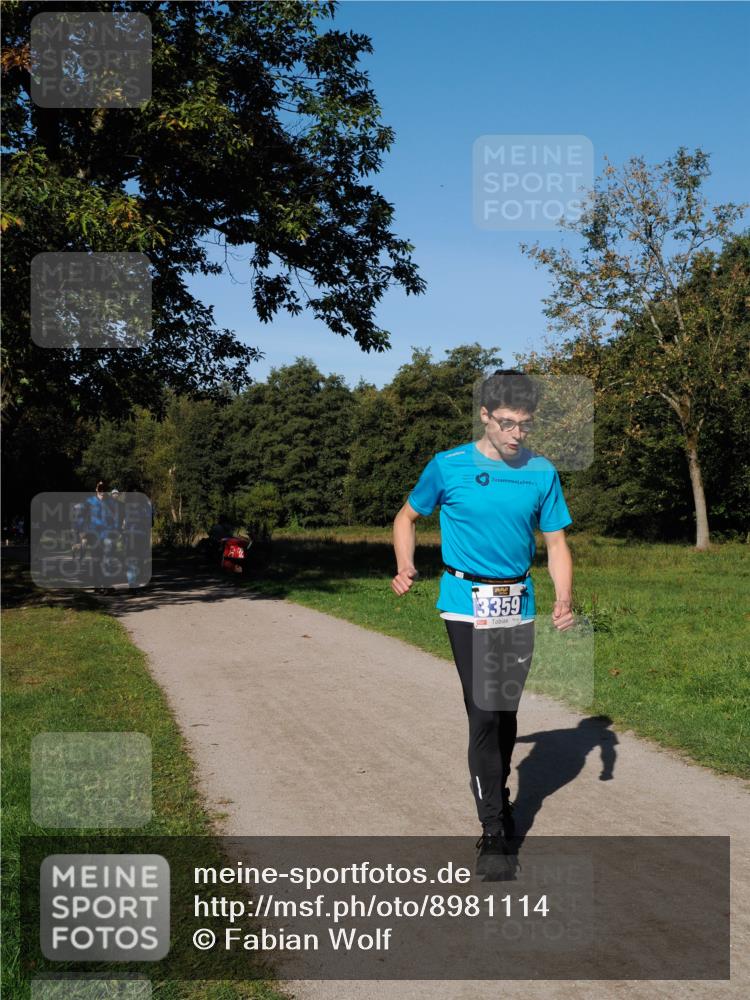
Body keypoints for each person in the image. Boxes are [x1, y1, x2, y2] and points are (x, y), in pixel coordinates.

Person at [391, 370, 575, 876]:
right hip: (464, 600)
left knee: (506, 712)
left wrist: (563, 596)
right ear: (486, 416)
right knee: (485, 712)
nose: (517, 434)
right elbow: (406, 517)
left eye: (526, 425)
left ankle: (498, 792)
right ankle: (494, 830)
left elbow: (557, 542)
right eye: (508, 424)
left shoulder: (541, 472)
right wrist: (405, 565)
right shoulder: (447, 466)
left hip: (518, 601)